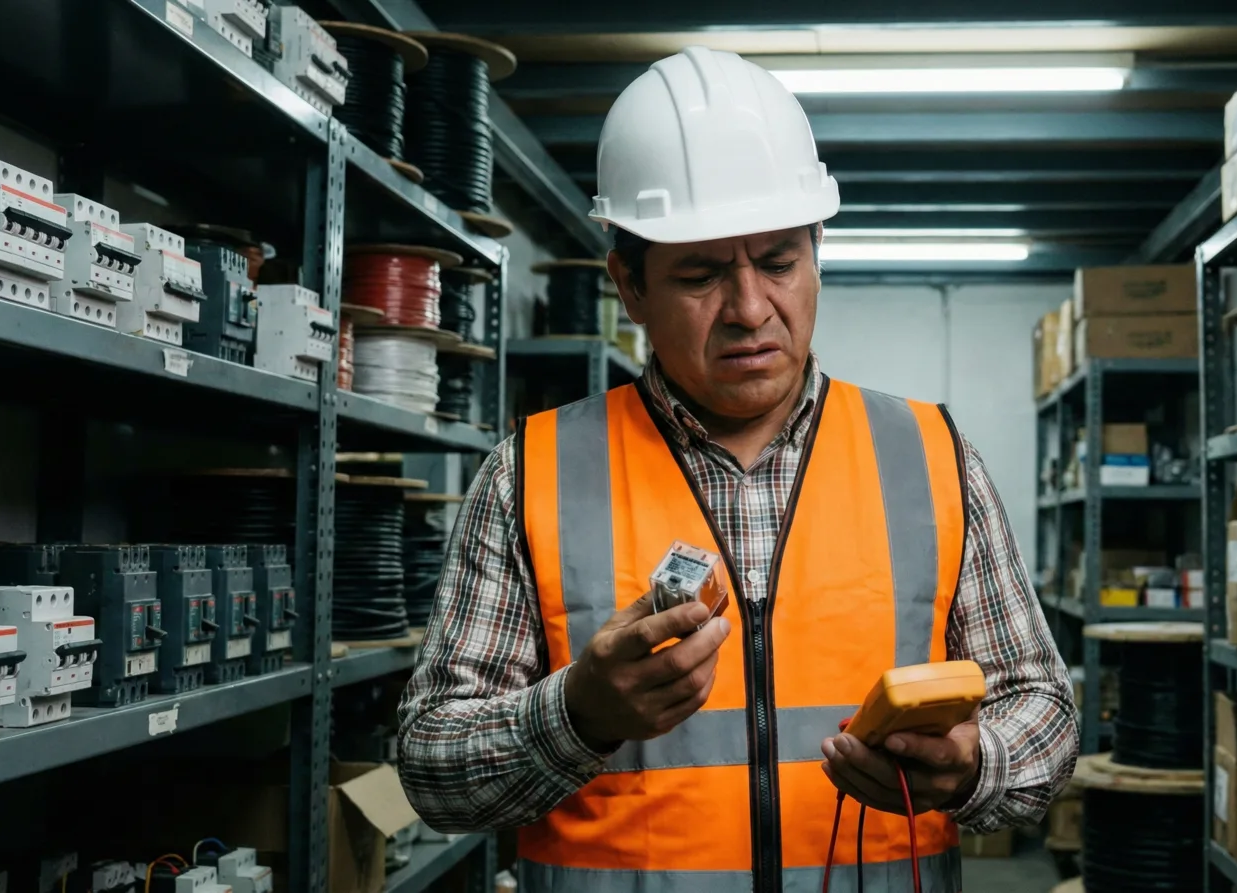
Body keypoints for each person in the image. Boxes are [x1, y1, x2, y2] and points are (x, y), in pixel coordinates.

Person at [398, 46, 1077, 893]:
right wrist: (575, 715)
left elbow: (1045, 709)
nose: (751, 308)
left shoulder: (932, 457)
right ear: (630, 285)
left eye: (779, 260)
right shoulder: (528, 473)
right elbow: (430, 766)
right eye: (701, 273)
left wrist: (978, 768)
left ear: (817, 252)